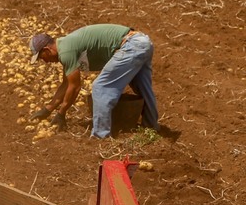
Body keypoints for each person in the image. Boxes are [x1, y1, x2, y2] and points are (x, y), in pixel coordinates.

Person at [28, 24, 159, 138]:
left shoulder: (66, 51)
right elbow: (66, 84)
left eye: (41, 57)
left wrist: (61, 113)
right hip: (141, 42)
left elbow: (75, 87)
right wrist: (48, 109)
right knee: (142, 88)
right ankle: (151, 126)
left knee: (99, 87)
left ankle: (100, 136)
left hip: (131, 45)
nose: (44, 61)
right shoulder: (66, 46)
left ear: (47, 49)